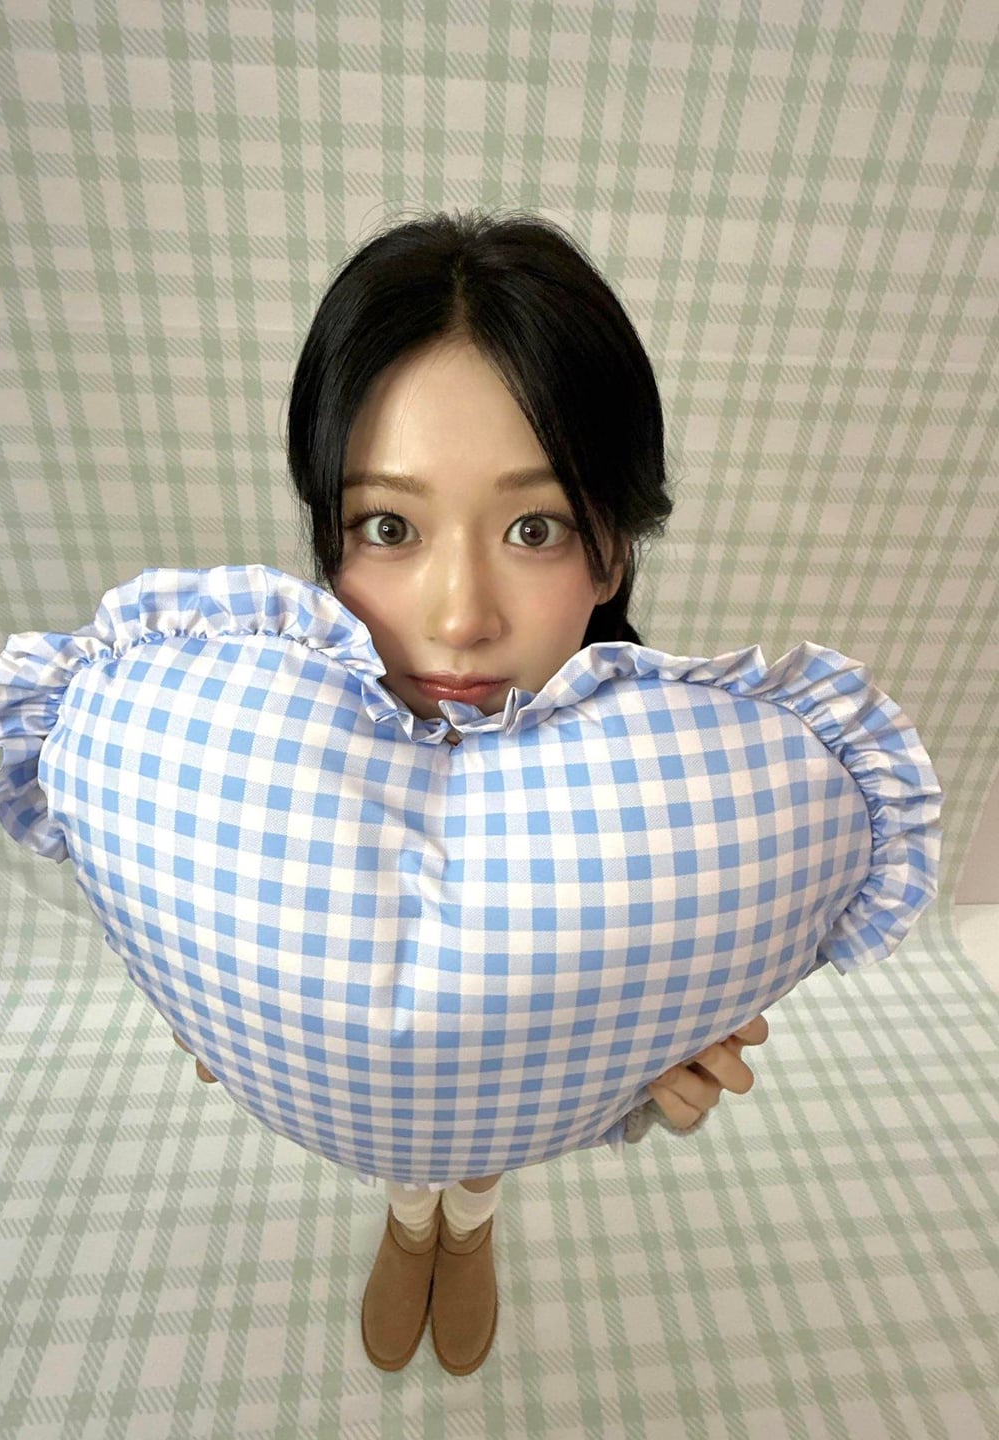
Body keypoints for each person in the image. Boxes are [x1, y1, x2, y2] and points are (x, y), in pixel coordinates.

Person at [175, 207, 772, 1375]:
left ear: (613, 550)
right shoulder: (273, 761)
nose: (459, 616)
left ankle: (471, 1222)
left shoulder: (655, 798)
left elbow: (603, 1021)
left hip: (516, 1103)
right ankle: (413, 1221)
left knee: (483, 1116)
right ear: (327, 538)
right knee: (409, 1128)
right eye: (389, 525)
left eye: (533, 527)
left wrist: (659, 1063)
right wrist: (224, 992)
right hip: (373, 1099)